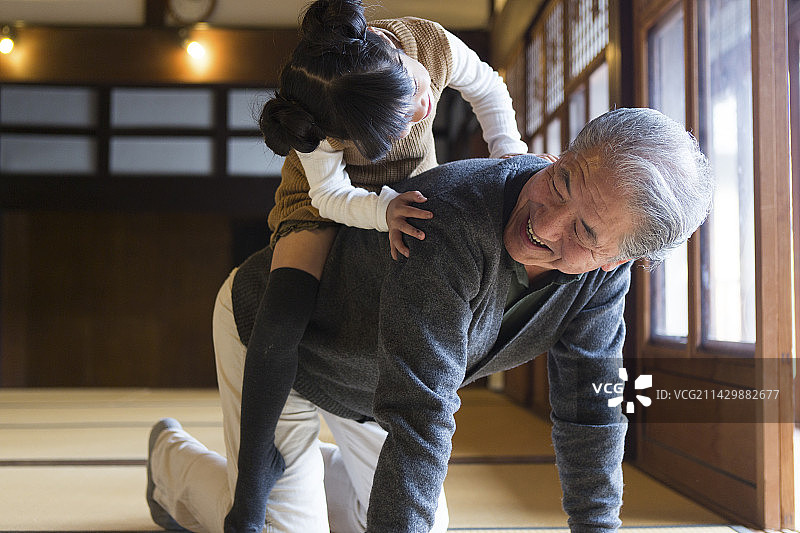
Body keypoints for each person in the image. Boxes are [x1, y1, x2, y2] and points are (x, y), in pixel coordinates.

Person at [146, 107, 714, 533]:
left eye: (584, 233)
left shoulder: (601, 279)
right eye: (560, 182)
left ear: (620, 260)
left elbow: (590, 406)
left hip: (378, 384)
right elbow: (421, 412)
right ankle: (171, 463)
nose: (547, 223)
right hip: (279, 340)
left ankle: (306, 467)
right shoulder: (449, 219)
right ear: (560, 155)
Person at [236, 0, 529, 530]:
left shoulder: (431, 45)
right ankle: (254, 477)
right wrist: (380, 210)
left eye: (415, 98)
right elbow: (329, 195)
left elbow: (487, 88)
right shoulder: (320, 124)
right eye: (401, 123)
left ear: (391, 53)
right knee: (280, 316)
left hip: (415, 185)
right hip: (322, 198)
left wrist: (508, 149)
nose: (422, 112)